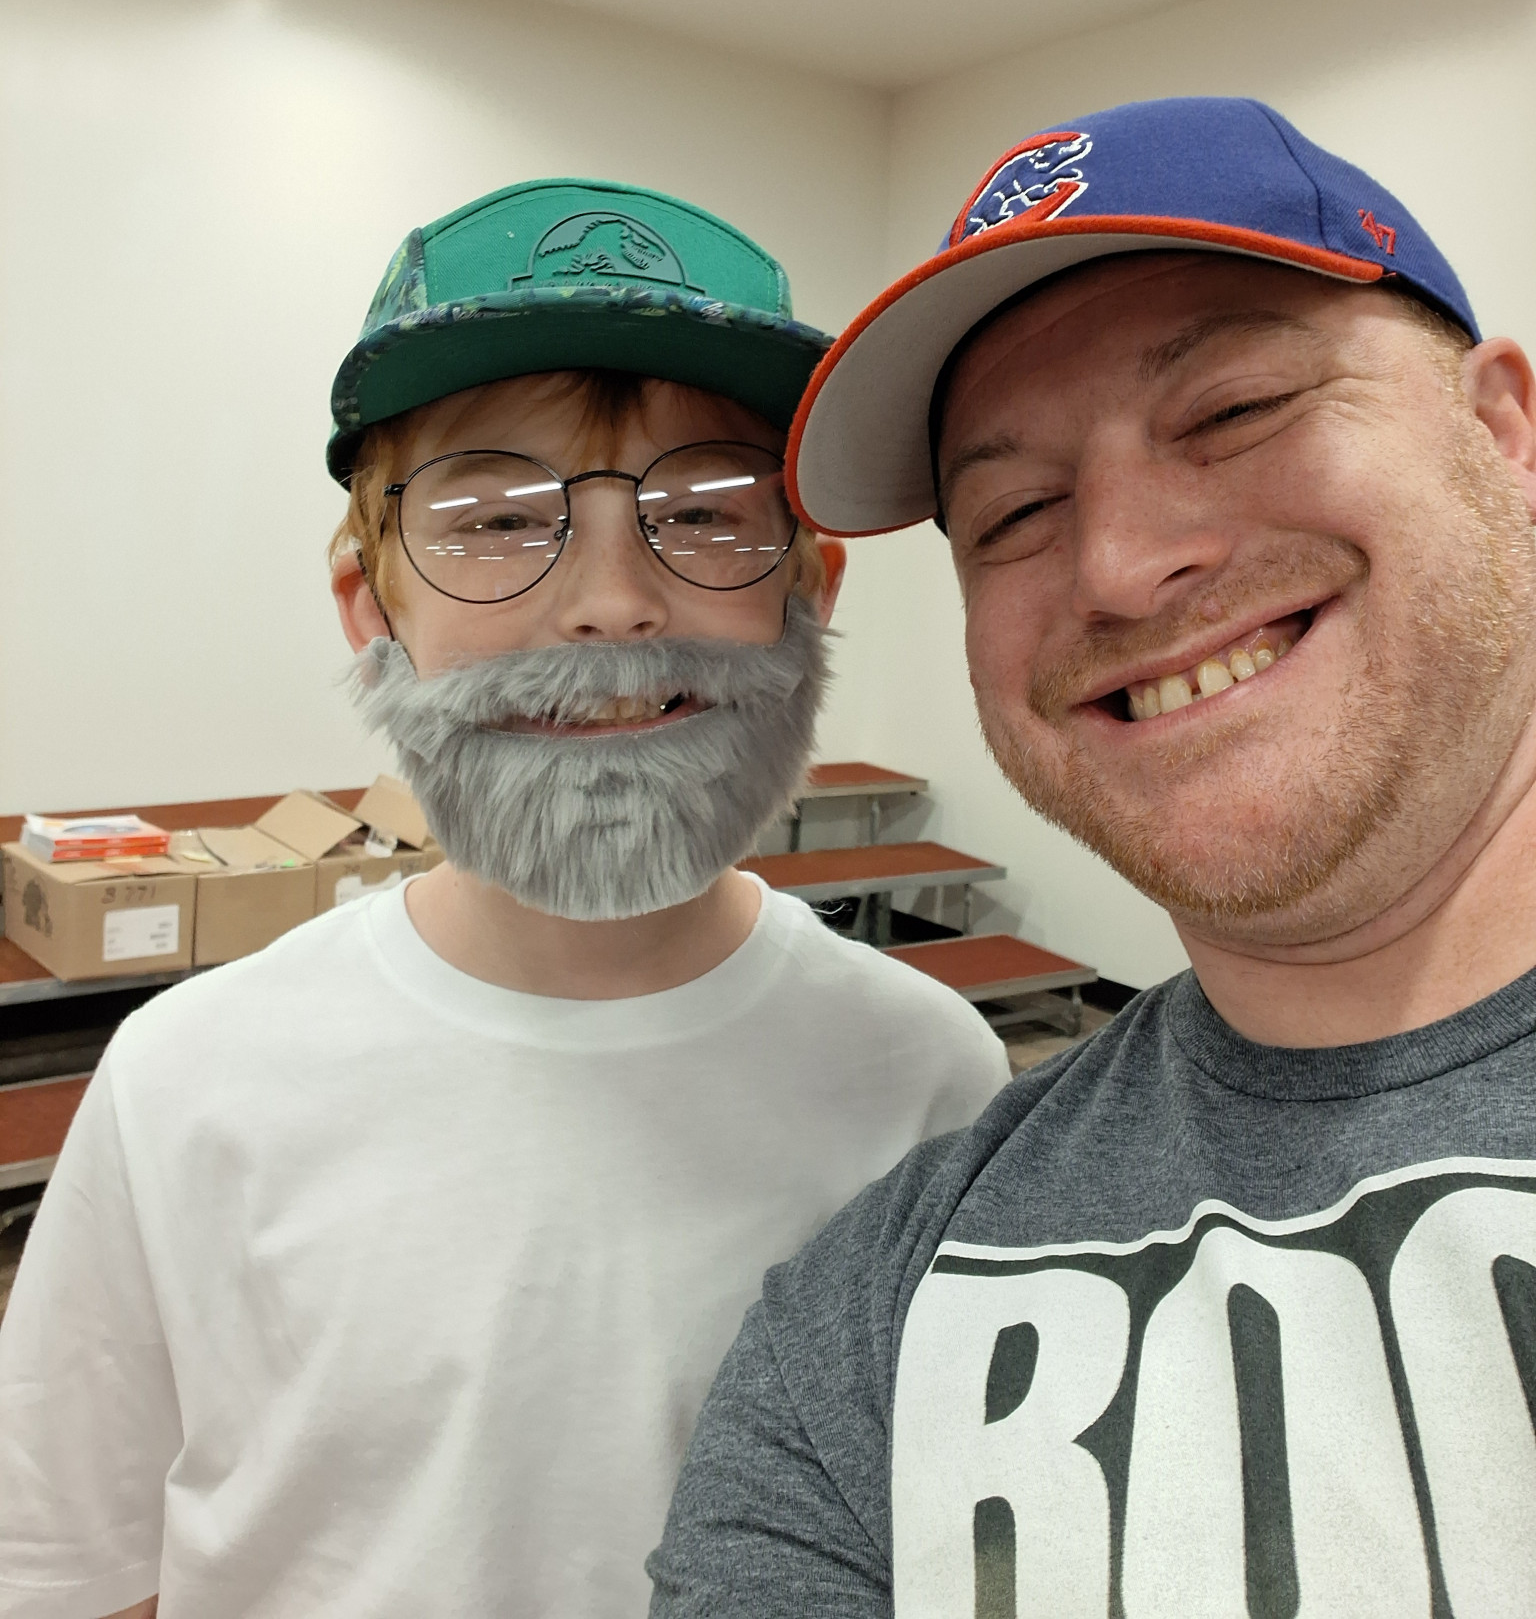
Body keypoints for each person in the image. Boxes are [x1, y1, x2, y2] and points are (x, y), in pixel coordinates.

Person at [0, 177, 1009, 1619]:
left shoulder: (930, 1080)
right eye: (494, 519)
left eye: (706, 515)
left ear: (810, 589)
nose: (610, 604)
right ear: (373, 607)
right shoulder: (189, 1082)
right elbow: (79, 1566)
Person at [648, 97, 1536, 1617]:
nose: (1120, 566)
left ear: (1504, 434)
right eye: (1017, 511)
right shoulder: (880, 1318)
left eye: (1234, 410)